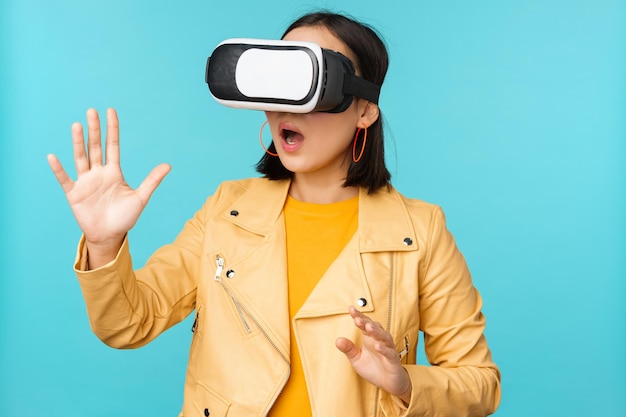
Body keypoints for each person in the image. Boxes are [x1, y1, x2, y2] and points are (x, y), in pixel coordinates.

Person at [47, 11, 501, 417]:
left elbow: (480, 385)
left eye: (309, 85)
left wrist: (406, 384)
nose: (287, 105)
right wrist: (104, 244)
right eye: (277, 81)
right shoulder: (227, 208)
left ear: (364, 110)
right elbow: (129, 323)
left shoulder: (420, 231)